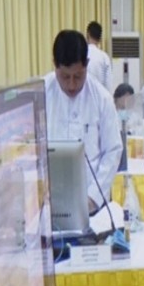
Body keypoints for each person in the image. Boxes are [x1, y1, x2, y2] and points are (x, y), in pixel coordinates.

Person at [44, 30, 123, 213]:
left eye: (78, 76)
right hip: (49, 203)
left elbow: (113, 150)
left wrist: (92, 198)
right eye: (65, 77)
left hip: (92, 204)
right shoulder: (42, 93)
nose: (72, 85)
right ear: (55, 65)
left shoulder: (101, 98)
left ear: (86, 65)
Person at [85, 21, 112, 90]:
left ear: (87, 34)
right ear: (100, 38)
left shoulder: (81, 54)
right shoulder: (104, 57)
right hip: (100, 93)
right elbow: (108, 84)